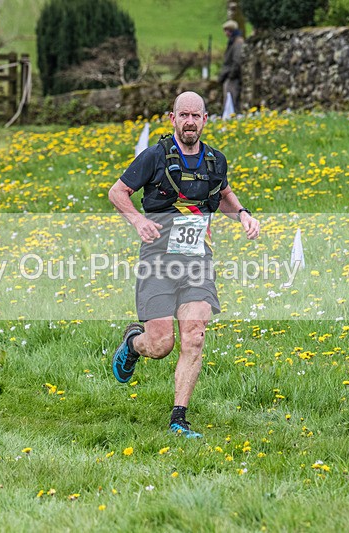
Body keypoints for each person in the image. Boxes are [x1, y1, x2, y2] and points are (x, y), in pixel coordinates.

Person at [108, 91, 259, 438]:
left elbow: (222, 194)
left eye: (196, 115)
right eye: (183, 115)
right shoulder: (154, 157)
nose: (190, 121)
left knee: (195, 335)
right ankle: (133, 344)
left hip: (197, 262)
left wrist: (243, 216)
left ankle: (179, 419)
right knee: (161, 344)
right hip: (158, 261)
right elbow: (118, 192)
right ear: (172, 119)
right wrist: (137, 221)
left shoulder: (215, 161)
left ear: (205, 120)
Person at [219, 20, 245, 114]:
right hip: (228, 76)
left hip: (233, 78)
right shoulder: (232, 42)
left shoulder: (238, 42)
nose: (226, 33)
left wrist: (231, 75)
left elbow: (236, 61)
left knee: (232, 102)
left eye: (228, 30)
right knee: (228, 102)